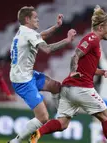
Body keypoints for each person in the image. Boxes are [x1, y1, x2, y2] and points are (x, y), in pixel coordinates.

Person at [30, 5, 107, 143]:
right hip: (82, 88)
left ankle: (38, 133)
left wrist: (102, 72)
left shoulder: (94, 39)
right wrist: (73, 71)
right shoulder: (92, 39)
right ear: (101, 28)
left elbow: (87, 69)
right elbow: (75, 56)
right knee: (106, 116)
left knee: (62, 123)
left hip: (68, 89)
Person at [8, 6, 76, 143]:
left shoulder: (24, 32)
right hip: (23, 81)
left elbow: (42, 35)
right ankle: (16, 141)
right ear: (27, 19)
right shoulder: (28, 33)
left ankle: (60, 117)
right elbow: (48, 49)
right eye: (35, 17)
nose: (38, 19)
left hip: (28, 75)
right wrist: (67, 41)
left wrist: (56, 26)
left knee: (56, 86)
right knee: (43, 117)